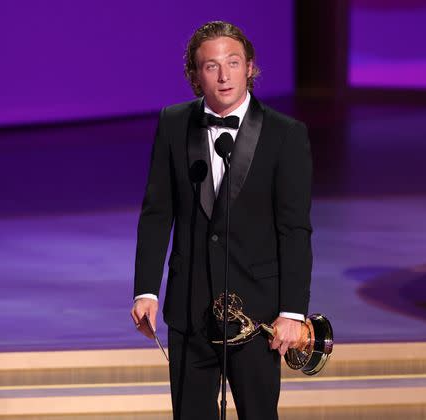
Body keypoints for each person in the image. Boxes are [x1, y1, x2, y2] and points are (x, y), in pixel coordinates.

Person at [131, 21, 312, 420]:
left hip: (257, 315)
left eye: (233, 62)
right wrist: (146, 289)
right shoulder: (174, 123)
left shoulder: (286, 134)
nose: (224, 75)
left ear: (250, 67)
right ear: (195, 75)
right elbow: (158, 212)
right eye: (211, 66)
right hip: (189, 307)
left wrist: (293, 312)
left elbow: (295, 229)